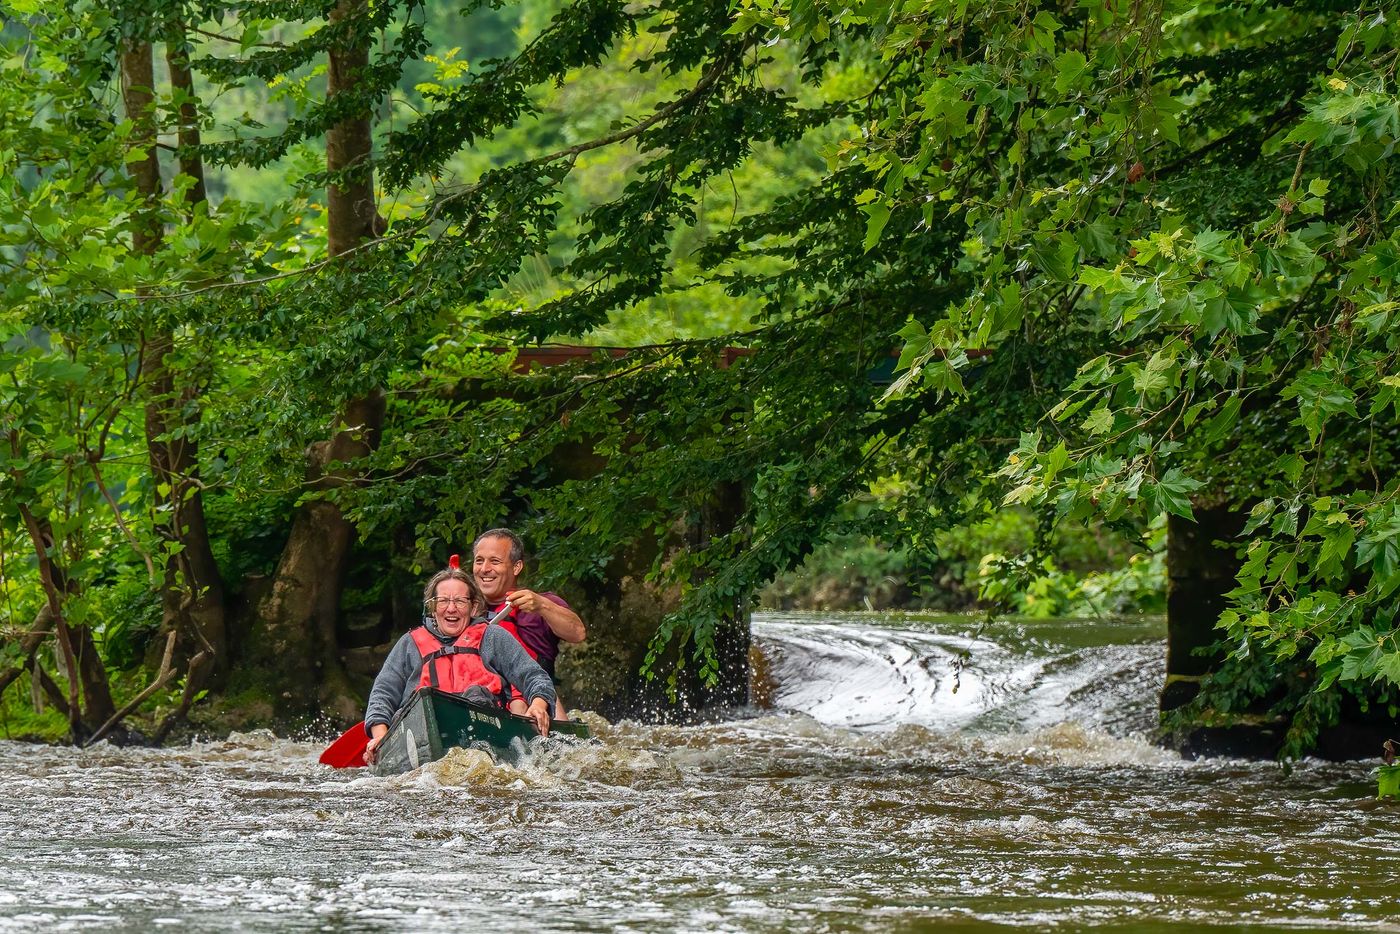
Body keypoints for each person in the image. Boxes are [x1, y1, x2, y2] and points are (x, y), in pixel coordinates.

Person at [362, 565, 556, 765]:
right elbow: (382, 693)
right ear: (432, 607)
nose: (451, 608)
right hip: (416, 736)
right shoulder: (408, 644)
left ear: (473, 607)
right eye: (443, 601)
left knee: (476, 694)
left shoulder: (493, 637)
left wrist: (538, 705)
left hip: (483, 728)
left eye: (460, 601)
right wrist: (380, 737)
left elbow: (535, 676)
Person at [472, 528, 586, 720]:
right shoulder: (460, 611)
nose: (484, 569)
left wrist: (542, 606)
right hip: (481, 703)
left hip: (532, 701)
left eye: (495, 561)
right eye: (479, 560)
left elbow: (578, 633)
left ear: (516, 567)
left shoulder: (539, 603)